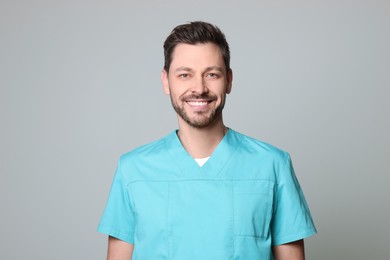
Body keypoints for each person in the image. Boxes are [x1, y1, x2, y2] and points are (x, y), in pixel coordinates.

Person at [98, 21, 317, 260]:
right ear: (166, 81)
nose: (199, 88)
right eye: (184, 75)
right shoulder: (133, 169)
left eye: (212, 74)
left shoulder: (272, 165)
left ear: (229, 80)